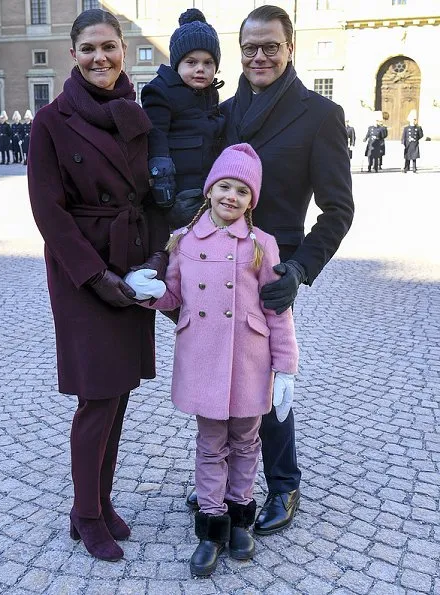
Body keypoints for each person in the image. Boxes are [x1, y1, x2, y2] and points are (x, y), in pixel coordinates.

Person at [186, 5, 354, 538]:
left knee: (265, 377)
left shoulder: (319, 114)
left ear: (291, 47)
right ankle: (219, 484)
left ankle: (283, 483)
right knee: (218, 371)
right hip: (216, 261)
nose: (259, 56)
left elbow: (338, 209)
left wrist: (301, 267)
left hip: (271, 268)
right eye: (250, 48)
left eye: (271, 47)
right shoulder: (227, 110)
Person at [27, 8, 169, 562]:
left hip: (132, 265)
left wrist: (156, 257)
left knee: (120, 393)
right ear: (72, 55)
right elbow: (49, 211)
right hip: (82, 272)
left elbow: (151, 193)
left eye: (108, 46)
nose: (100, 58)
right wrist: (96, 276)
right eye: (88, 48)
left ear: (124, 50)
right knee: (97, 396)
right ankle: (85, 513)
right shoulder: (52, 120)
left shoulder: (136, 114)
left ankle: (100, 500)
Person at [127, 144, 299, 577]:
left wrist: (285, 368)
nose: (231, 196)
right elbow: (174, 297)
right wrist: (147, 292)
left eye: (242, 191)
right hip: (203, 357)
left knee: (246, 443)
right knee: (209, 445)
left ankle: (240, 518)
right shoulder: (183, 240)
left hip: (249, 359)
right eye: (224, 186)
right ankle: (210, 527)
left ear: (251, 200)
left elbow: (277, 310)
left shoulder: (263, 244)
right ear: (209, 190)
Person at [141, 8, 225, 231]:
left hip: (205, 186)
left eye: (208, 63)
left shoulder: (210, 92)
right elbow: (156, 140)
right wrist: (163, 191)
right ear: (177, 63)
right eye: (191, 62)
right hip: (178, 190)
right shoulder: (160, 91)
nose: (200, 69)